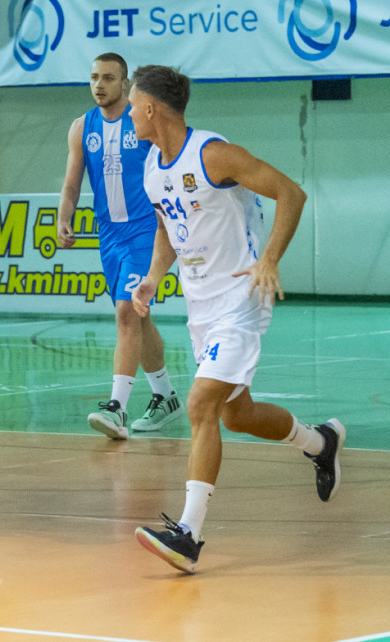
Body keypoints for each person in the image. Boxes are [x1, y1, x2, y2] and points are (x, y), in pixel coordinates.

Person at [126, 65, 345, 573]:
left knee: (201, 405)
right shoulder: (153, 166)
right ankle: (320, 441)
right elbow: (169, 225)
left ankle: (188, 534)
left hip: (240, 299)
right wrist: (155, 276)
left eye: (134, 105)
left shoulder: (213, 154)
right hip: (200, 306)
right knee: (234, 414)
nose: (130, 113)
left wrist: (270, 258)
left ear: (152, 108)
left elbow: (291, 192)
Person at [57, 53, 182, 440]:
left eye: (109, 78)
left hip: (146, 229)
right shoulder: (82, 127)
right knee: (139, 316)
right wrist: (65, 216)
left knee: (127, 311)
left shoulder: (142, 122)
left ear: (124, 84)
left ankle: (116, 409)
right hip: (109, 235)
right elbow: (72, 183)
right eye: (94, 77)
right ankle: (165, 396)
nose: (99, 84)